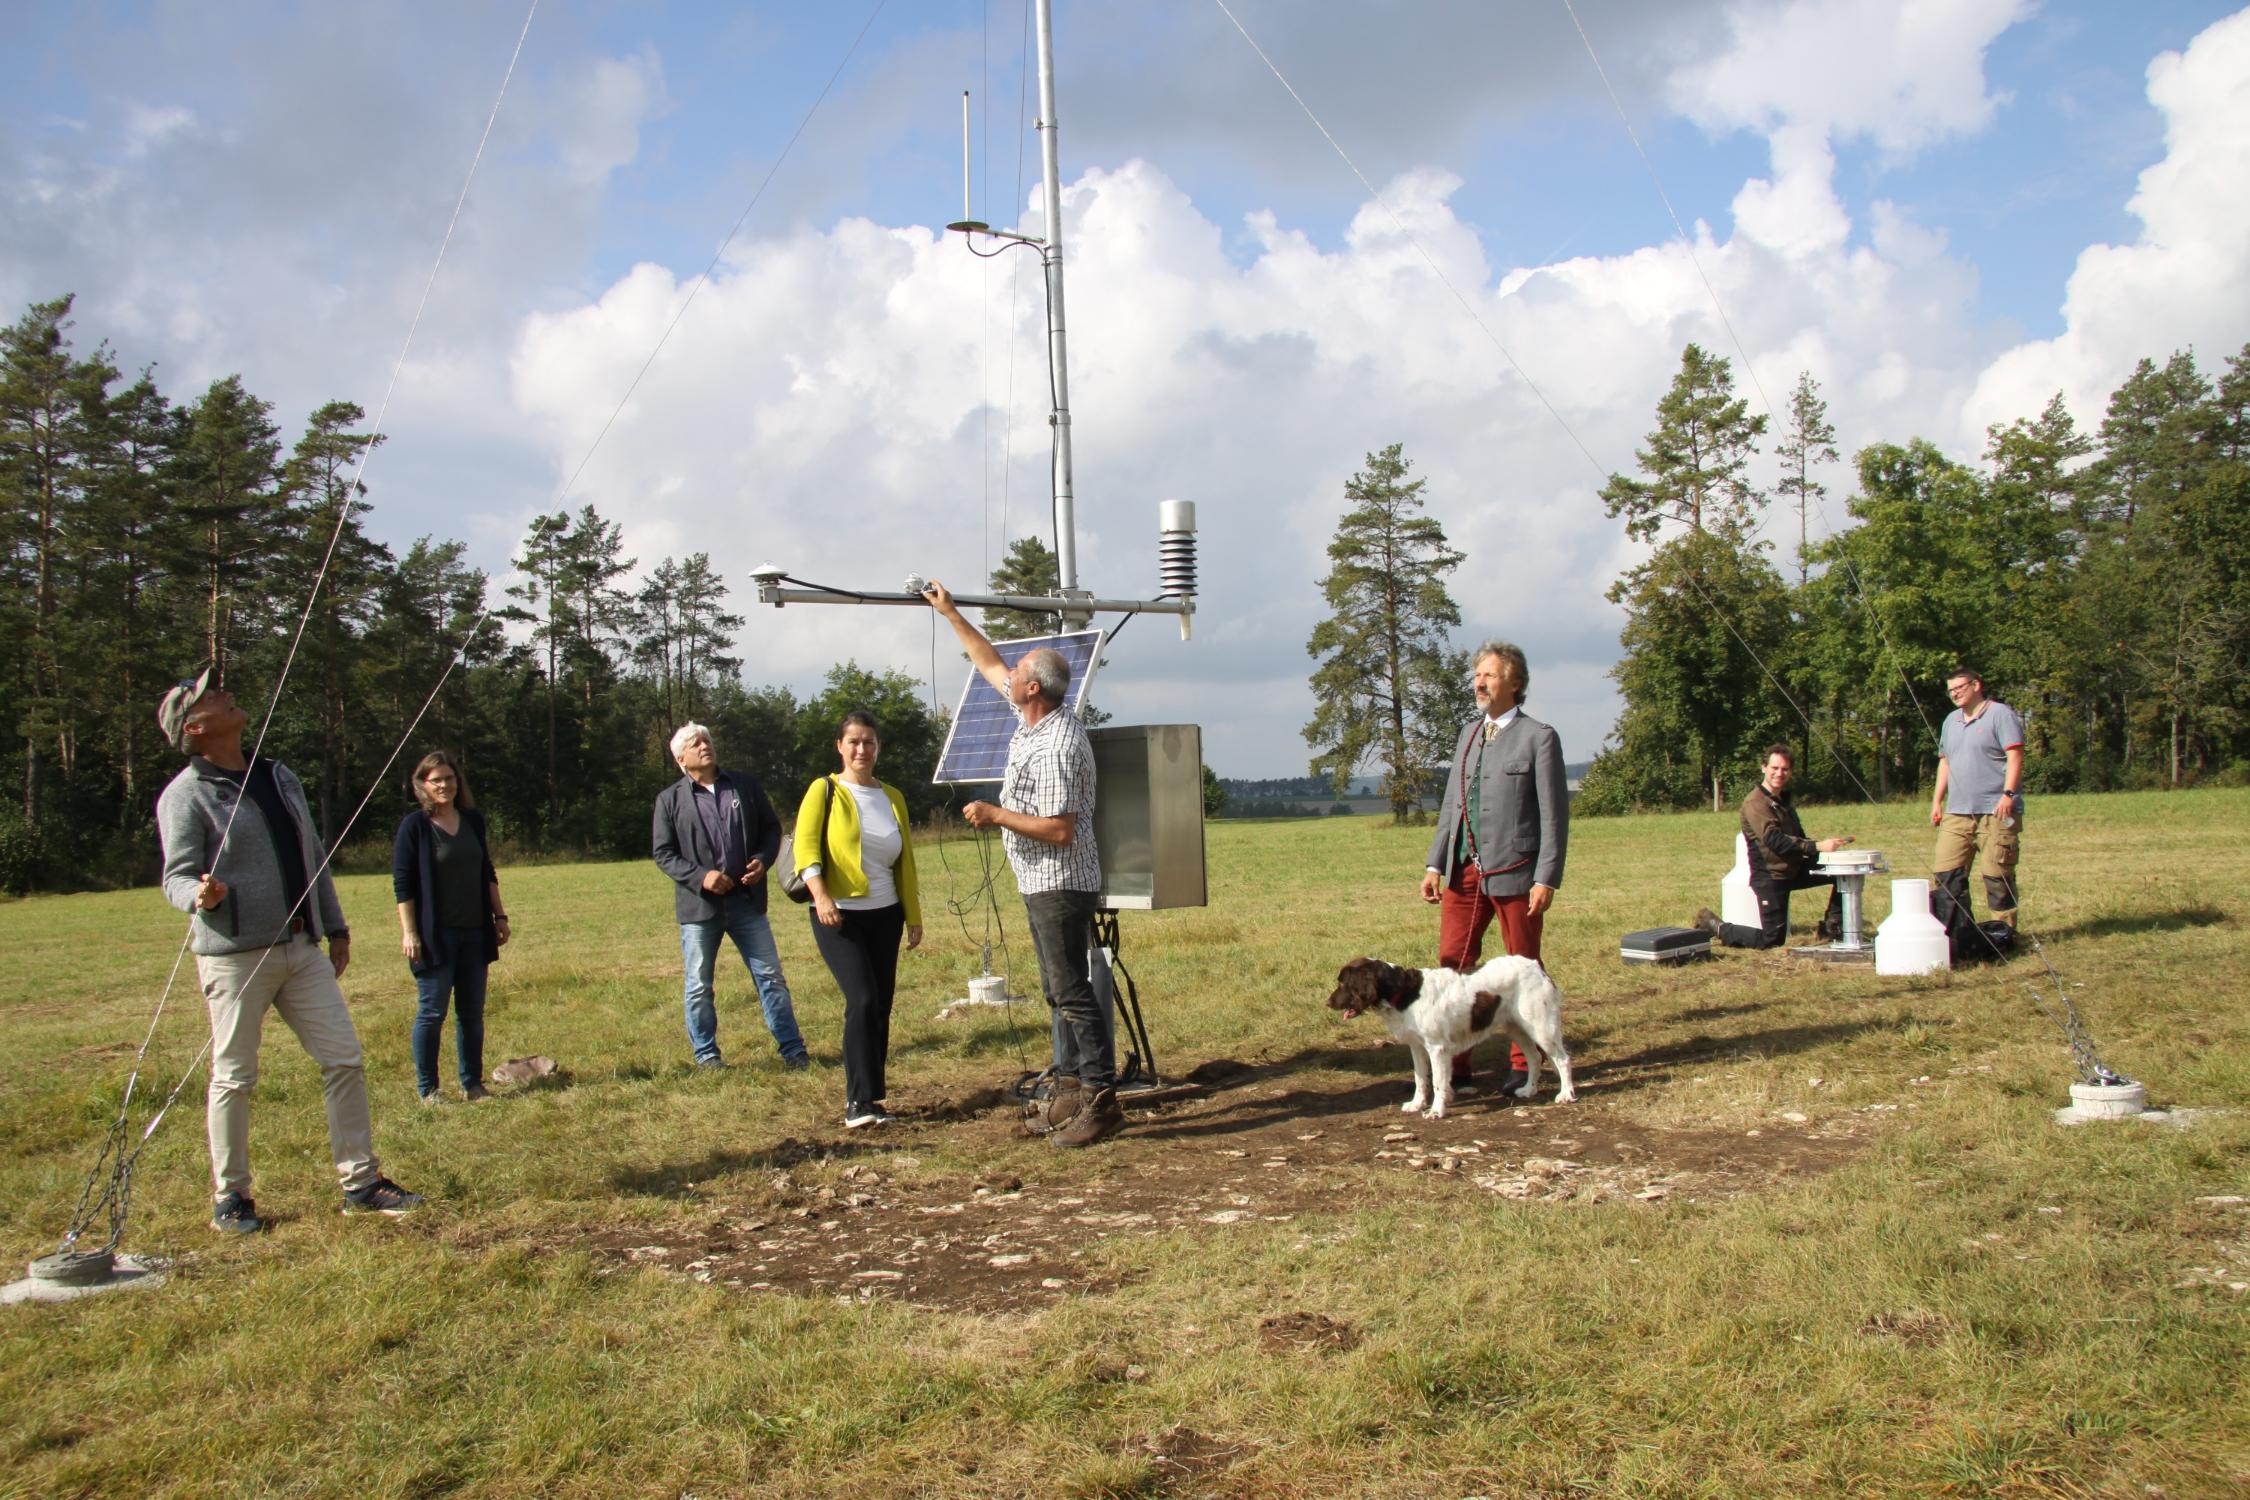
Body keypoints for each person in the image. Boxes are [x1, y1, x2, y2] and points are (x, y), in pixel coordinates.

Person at [154, 668, 422, 1231]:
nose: (226, 693)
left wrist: (336, 925)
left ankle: (362, 1183)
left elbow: (313, 853)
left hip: (301, 948)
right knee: (234, 1076)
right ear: (196, 726)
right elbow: (175, 876)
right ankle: (231, 1198)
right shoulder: (184, 796)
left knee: (343, 1058)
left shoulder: (278, 777)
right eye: (212, 697)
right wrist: (198, 896)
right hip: (234, 956)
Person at [925, 580, 1123, 1148]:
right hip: (1040, 882)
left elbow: (1062, 830)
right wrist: (951, 613)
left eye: (1017, 674)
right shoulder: (1030, 721)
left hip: (1061, 883)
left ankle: (1101, 1099)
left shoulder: (1058, 743)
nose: (1006, 677)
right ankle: (1068, 1088)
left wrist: (997, 814)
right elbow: (988, 663)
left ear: (1032, 687)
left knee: (1073, 990)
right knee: (1056, 988)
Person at [1421, 640, 1568, 1094]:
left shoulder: (1538, 736)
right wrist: (1434, 863)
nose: (1479, 683)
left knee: (1523, 968)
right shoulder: (1467, 733)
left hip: (1517, 871)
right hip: (1464, 871)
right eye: (1477, 675)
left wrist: (1546, 877)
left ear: (1515, 683)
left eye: (1489, 675)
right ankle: (1456, 1067)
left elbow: (1554, 814)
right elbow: (1451, 803)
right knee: (1452, 967)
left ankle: (1526, 1065)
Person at [794, 711, 925, 1129]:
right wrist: (821, 897)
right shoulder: (824, 790)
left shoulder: (893, 797)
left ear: (878, 747)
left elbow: (905, 862)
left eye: (869, 741)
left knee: (881, 1006)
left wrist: (913, 916)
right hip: (839, 915)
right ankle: (856, 1103)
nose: (861, 749)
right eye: (853, 741)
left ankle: (873, 1098)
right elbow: (805, 850)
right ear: (840, 746)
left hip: (886, 915)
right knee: (863, 1000)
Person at [653, 723, 809, 1071]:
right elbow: (663, 853)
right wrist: (701, 877)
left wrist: (763, 860)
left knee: (770, 977)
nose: (704, 745)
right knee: (698, 985)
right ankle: (707, 1057)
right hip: (700, 908)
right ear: (681, 758)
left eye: (706, 739)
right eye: (695, 743)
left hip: (746, 901)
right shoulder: (669, 800)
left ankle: (793, 1051)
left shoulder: (744, 785)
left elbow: (771, 828)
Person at [392, 751, 511, 1104]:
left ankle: (472, 1083)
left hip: (475, 932)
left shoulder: (473, 821)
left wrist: (500, 917)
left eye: (449, 778)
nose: (444, 785)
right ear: (423, 786)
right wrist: (410, 932)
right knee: (432, 1012)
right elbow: (403, 884)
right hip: (435, 936)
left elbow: (486, 872)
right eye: (436, 780)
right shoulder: (414, 826)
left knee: (471, 1014)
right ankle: (429, 1090)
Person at [1692, 744, 1851, 949]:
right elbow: (1775, 840)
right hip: (1771, 877)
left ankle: (1831, 928)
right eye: (1774, 768)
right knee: (1772, 939)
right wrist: (1819, 846)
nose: (1779, 773)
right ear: (1763, 768)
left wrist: (1824, 848)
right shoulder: (1755, 803)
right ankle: (1715, 927)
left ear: (1791, 772)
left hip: (1793, 869)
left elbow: (1798, 838)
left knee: (1843, 873)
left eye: (1784, 769)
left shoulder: (1783, 801)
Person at [1930, 665, 2025, 934]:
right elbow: (1945, 762)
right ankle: (1959, 933)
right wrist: (1937, 801)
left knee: (1997, 876)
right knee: (1946, 874)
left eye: (1959, 688)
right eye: (1950, 690)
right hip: (1957, 812)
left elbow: (2015, 755)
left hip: (1996, 811)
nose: (1954, 694)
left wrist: (2008, 795)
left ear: (1976, 685)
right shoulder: (1950, 721)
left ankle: (2005, 934)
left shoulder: (2000, 715)